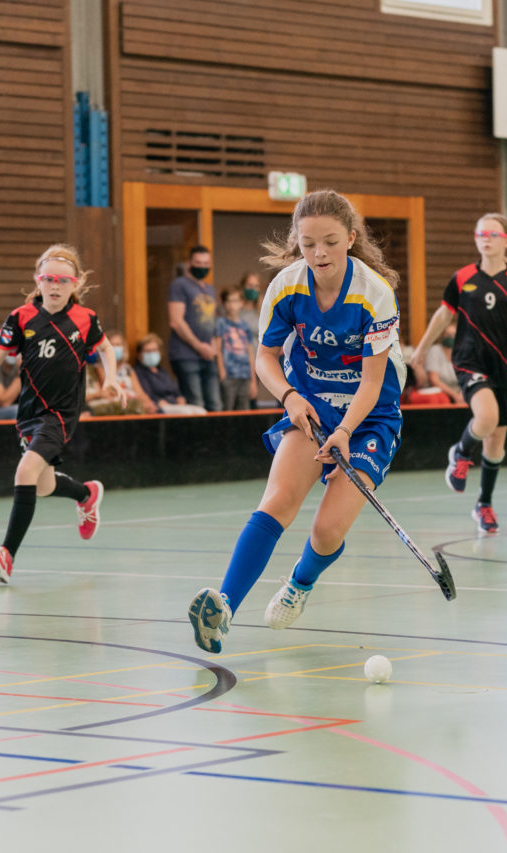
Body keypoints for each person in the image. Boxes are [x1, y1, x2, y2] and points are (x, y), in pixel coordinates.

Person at [188, 190, 406, 654]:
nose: (319, 253)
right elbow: (264, 357)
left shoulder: (374, 294)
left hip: (368, 416)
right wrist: (288, 396)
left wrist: (346, 431)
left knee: (327, 531)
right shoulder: (286, 286)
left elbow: (371, 382)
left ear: (350, 237)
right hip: (308, 406)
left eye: (329, 241)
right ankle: (223, 606)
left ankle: (299, 583)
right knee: (279, 499)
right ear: (297, 241)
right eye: (308, 243)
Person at [0, 244, 122, 583]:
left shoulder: (85, 319)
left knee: (25, 471)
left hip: (61, 414)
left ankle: (6, 554)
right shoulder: (22, 316)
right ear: (38, 280)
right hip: (29, 414)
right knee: (42, 485)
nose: (55, 285)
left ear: (76, 283)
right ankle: (86, 494)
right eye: (48, 278)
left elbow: (108, 349)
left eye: (63, 280)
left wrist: (111, 378)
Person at [410, 213, 507, 535]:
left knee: (496, 445)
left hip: (506, 364)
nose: (486, 238)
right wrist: (423, 347)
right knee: (486, 418)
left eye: (493, 234)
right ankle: (461, 451)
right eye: (481, 233)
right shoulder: (463, 278)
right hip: (471, 359)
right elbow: (443, 315)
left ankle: (483, 504)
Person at [167, 245, 223, 411]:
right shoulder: (180, 284)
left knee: (215, 405)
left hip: (208, 355)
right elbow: (176, 321)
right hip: (186, 355)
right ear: (189, 263)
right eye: (198, 262)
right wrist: (199, 346)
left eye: (206, 263)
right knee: (196, 405)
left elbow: (210, 322)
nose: (202, 266)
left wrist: (213, 347)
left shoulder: (210, 289)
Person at [133, 334, 206, 415]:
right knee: (186, 413)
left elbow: (175, 390)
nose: (151, 354)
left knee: (201, 411)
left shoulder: (162, 371)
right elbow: (146, 394)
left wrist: (180, 397)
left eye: (154, 350)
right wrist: (158, 402)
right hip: (159, 407)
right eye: (148, 351)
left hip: (175, 404)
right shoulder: (138, 372)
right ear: (139, 355)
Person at [87, 331, 154, 415]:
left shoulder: (127, 368)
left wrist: (149, 403)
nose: (115, 348)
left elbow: (139, 391)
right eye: (112, 345)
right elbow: (110, 390)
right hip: (119, 403)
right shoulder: (99, 367)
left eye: (118, 345)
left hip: (133, 402)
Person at [214, 287, 257, 411]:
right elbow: (218, 349)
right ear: (224, 303)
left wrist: (253, 381)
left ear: (241, 303)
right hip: (229, 374)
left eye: (235, 301)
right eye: (229, 301)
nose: (232, 305)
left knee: (244, 411)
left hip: (245, 375)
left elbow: (250, 353)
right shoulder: (221, 323)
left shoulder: (245, 326)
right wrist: (222, 372)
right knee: (227, 408)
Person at [422, 322, 464, 404]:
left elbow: (465, 377)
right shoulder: (435, 350)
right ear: (442, 335)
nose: (450, 337)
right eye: (447, 334)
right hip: (441, 393)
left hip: (459, 393)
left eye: (453, 335)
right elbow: (434, 379)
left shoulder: (461, 353)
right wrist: (455, 395)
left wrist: (462, 393)